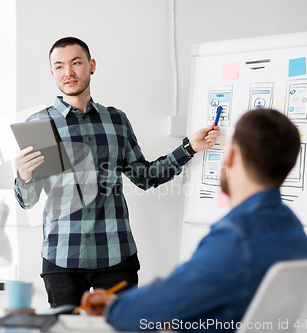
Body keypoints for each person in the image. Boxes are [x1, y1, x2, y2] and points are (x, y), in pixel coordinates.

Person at [14, 37, 221, 308]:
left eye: (76, 63)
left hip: (115, 255)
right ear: (52, 72)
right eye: (60, 66)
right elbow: (27, 201)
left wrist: (189, 148)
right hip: (61, 255)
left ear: (91, 65)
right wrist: (24, 176)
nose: (69, 72)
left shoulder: (117, 120)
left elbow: (145, 177)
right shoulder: (39, 125)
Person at [80, 109, 307, 331]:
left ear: (231, 156)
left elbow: (166, 299)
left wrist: (118, 308)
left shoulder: (237, 236)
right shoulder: (294, 230)